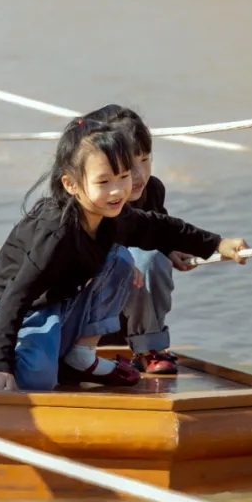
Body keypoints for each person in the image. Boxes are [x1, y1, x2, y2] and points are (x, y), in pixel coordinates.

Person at [0, 116, 248, 392]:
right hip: (25, 308)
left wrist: (216, 243)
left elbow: (160, 227)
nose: (118, 190)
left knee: (121, 260)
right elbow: (15, 296)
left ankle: (80, 354)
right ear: (72, 185)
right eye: (104, 181)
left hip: (66, 301)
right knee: (34, 381)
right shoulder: (56, 233)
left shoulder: (113, 216)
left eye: (122, 177)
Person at [87, 104, 191, 375]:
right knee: (135, 258)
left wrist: (170, 249)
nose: (138, 174)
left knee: (152, 258)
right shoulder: (89, 201)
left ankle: (149, 348)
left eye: (145, 160)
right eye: (127, 165)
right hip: (87, 312)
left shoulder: (153, 190)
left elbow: (158, 229)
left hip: (131, 316)